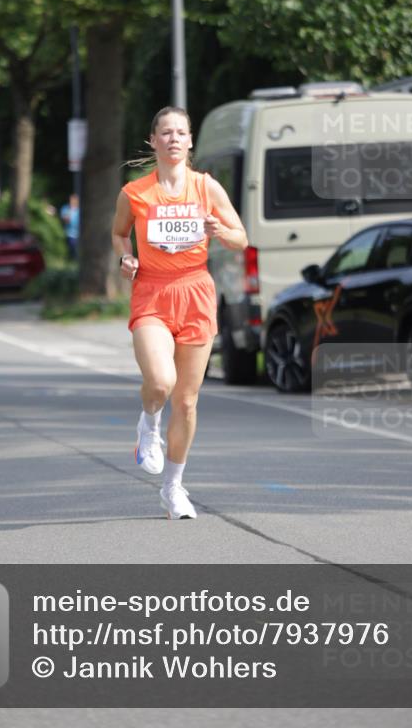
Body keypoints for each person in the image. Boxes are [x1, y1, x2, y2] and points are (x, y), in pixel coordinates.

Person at [111, 107, 248, 519]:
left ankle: (173, 489)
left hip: (196, 292)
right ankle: (148, 426)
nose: (173, 138)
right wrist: (127, 258)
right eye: (165, 132)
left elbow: (241, 238)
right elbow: (119, 234)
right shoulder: (135, 192)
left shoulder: (207, 188)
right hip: (152, 292)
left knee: (187, 403)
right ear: (153, 141)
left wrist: (219, 231)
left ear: (190, 143)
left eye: (180, 133)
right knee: (160, 382)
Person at [60, 194, 80, 260]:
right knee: (72, 248)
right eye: (71, 200)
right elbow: (66, 220)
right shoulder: (66, 208)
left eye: (74, 200)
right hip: (70, 233)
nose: (72, 202)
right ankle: (72, 259)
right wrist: (70, 211)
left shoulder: (80, 209)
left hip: (79, 233)